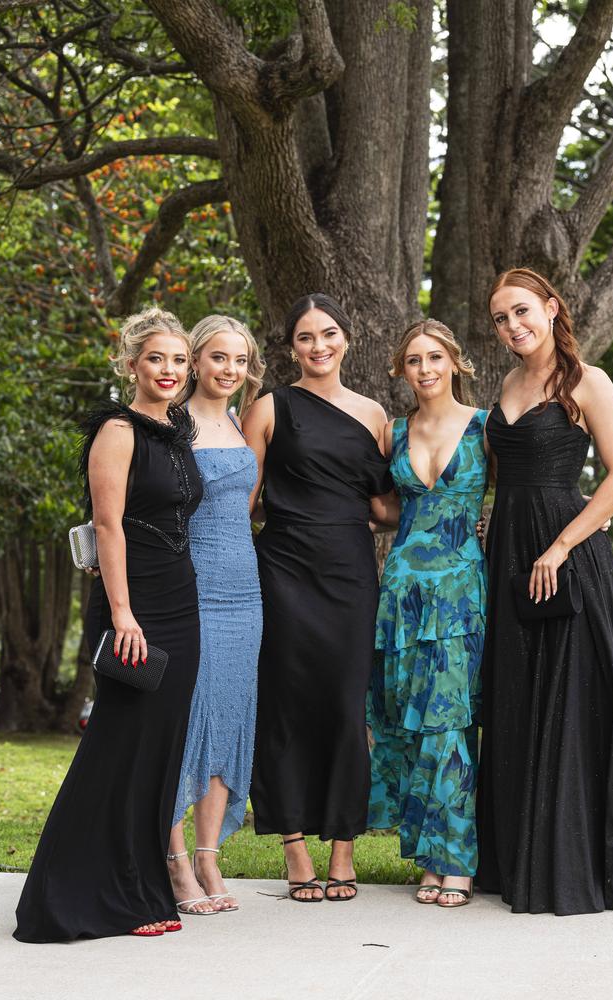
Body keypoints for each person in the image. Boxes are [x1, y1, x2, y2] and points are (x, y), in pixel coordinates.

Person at [14, 308, 203, 941]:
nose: (170, 371)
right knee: (119, 743)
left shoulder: (177, 431)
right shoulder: (118, 431)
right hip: (134, 605)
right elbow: (107, 525)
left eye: (179, 360)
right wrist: (122, 612)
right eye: (157, 359)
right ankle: (70, 895)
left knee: (159, 750)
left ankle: (140, 889)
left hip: (180, 600)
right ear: (131, 364)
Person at [477, 267, 613, 915]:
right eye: (500, 318)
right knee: (518, 694)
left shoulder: (585, 381)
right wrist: (495, 517)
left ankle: (572, 865)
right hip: (511, 553)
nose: (512, 326)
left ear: (550, 308)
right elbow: (510, 471)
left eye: (521, 312)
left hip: (565, 555)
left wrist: (562, 545)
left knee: (569, 700)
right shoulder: (507, 383)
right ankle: (520, 858)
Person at [244, 293, 393, 901]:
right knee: (286, 704)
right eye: (305, 337)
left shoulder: (375, 413)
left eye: (329, 334)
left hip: (350, 574)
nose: (319, 346)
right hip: (282, 571)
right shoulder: (268, 407)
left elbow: (384, 508)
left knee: (344, 706)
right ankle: (295, 847)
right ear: (291, 348)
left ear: (347, 339)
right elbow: (242, 500)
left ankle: (345, 849)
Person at [368, 319, 488, 908]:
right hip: (403, 593)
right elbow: (389, 511)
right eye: (413, 360)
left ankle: (457, 859)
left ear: (456, 362)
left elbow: (521, 491)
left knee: (449, 719)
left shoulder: (486, 426)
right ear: (401, 369)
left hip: (461, 594)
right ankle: (427, 855)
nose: (425, 369)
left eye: (435, 357)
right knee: (409, 722)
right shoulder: (394, 431)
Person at [166, 315, 264, 915]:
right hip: (187, 584)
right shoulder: (169, 424)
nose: (229, 371)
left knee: (230, 713)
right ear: (196, 360)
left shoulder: (237, 421)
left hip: (244, 589)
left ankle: (209, 855)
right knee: (185, 717)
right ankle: (174, 858)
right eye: (218, 358)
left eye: (240, 361)